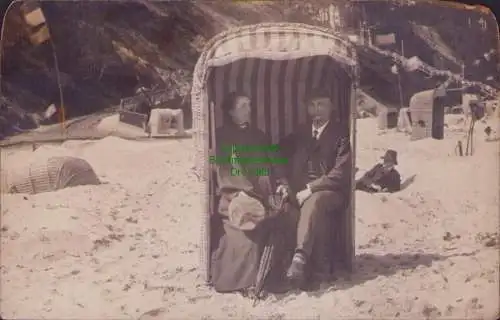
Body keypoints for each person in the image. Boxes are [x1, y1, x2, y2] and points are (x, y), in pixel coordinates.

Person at [276, 86, 352, 287]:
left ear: (331, 106)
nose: (316, 110)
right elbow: (277, 154)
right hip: (300, 190)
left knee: (314, 201)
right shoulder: (300, 132)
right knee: (283, 207)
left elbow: (340, 173)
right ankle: (304, 269)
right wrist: (283, 181)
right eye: (312, 105)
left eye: (321, 105)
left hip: (331, 192)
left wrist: (311, 188)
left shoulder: (342, 133)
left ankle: (299, 259)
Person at [210, 91, 283, 294]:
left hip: (263, 194)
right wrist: (241, 192)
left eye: (249, 105)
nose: (248, 110)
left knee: (282, 219)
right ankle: (243, 282)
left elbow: (274, 161)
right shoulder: (222, 136)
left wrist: (281, 182)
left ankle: (274, 277)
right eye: (243, 106)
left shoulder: (259, 135)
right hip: (234, 196)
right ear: (231, 112)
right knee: (245, 232)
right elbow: (225, 168)